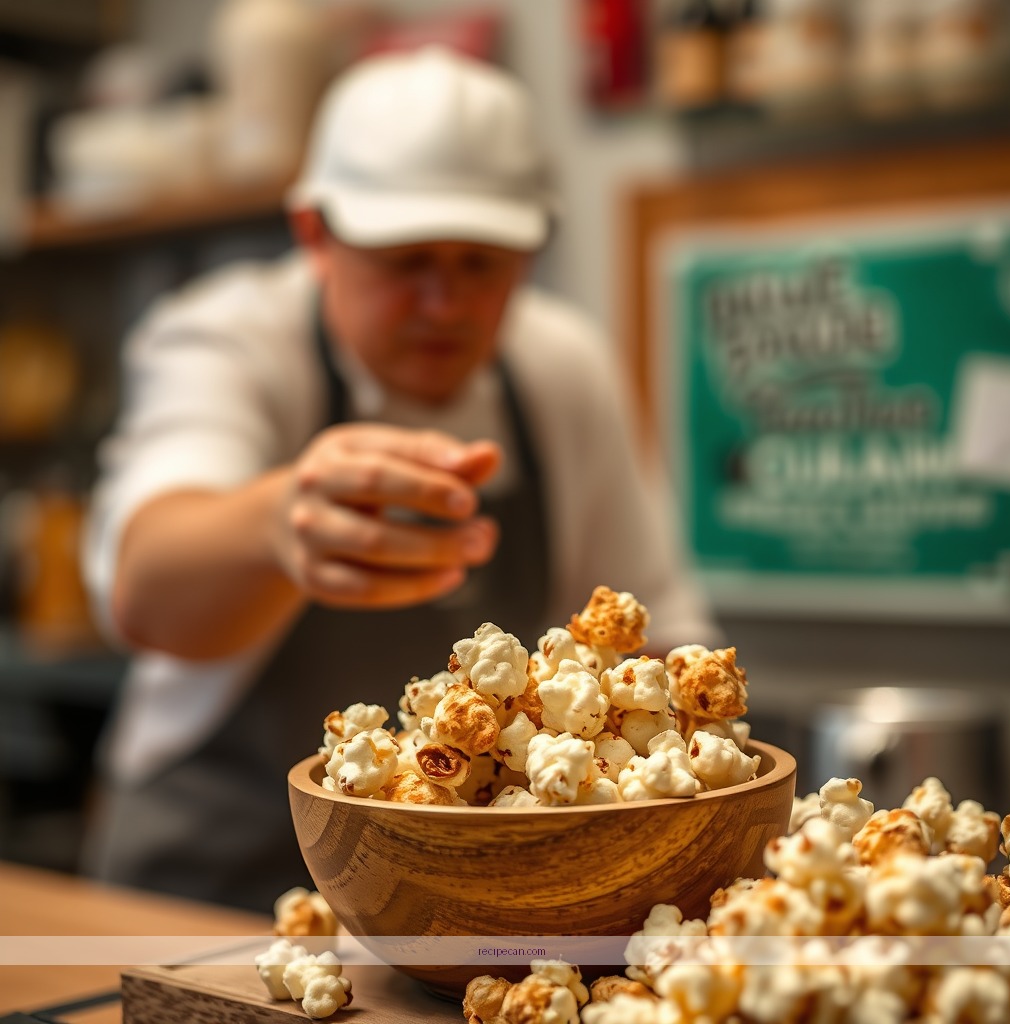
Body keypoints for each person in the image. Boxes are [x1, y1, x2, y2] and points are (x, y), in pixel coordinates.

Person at [80, 46, 717, 912]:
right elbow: (145, 587)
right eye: (405, 259)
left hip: (464, 915)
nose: (444, 304)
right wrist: (279, 527)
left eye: (480, 263)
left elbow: (654, 638)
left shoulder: (560, 366)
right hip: (208, 885)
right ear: (315, 234)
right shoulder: (227, 339)